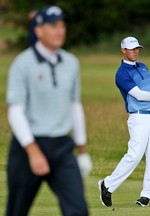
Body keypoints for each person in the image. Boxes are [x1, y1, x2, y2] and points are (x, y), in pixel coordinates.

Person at [5, 5, 92, 216]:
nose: (59, 30)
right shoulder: (22, 63)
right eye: (53, 25)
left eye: (62, 25)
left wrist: (81, 150)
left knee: (78, 210)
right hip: (28, 148)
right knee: (16, 211)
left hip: (62, 147)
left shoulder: (71, 63)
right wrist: (33, 151)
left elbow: (74, 105)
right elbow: (15, 111)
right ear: (38, 30)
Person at [98, 36, 150, 207]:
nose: (135, 51)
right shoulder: (122, 74)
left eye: (137, 48)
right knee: (134, 155)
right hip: (139, 118)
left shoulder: (142, 66)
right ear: (123, 50)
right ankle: (107, 185)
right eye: (132, 49)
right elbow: (138, 95)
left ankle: (146, 195)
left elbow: (149, 88)